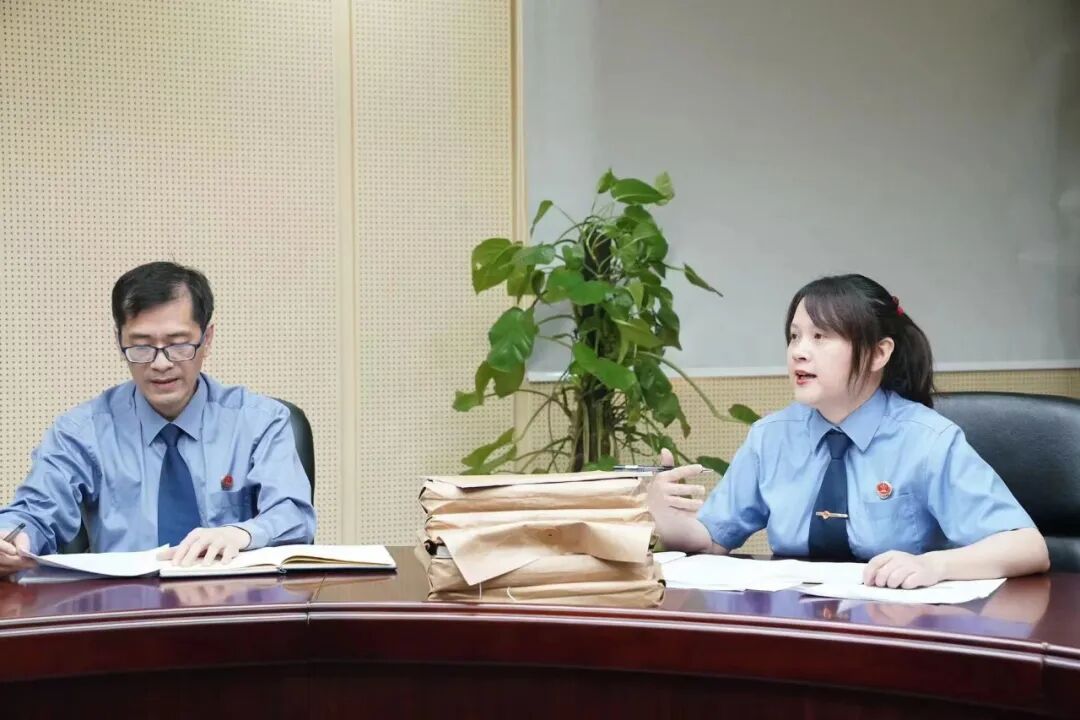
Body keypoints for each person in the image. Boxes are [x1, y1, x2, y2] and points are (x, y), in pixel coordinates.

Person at [649, 274, 1049, 589]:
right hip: (796, 627)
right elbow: (714, 539)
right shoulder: (770, 437)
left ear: (878, 353)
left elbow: (1028, 547)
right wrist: (664, 517)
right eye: (794, 336)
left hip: (900, 628)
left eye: (820, 337)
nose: (798, 351)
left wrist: (934, 566)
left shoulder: (928, 440)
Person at [0, 262, 316, 577]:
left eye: (178, 345)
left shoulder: (260, 422)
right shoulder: (83, 431)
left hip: (237, 601)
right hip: (123, 601)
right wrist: (13, 539)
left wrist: (242, 534)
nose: (161, 364)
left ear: (207, 339)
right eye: (141, 347)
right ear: (119, 341)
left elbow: (293, 515)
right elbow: (34, 511)